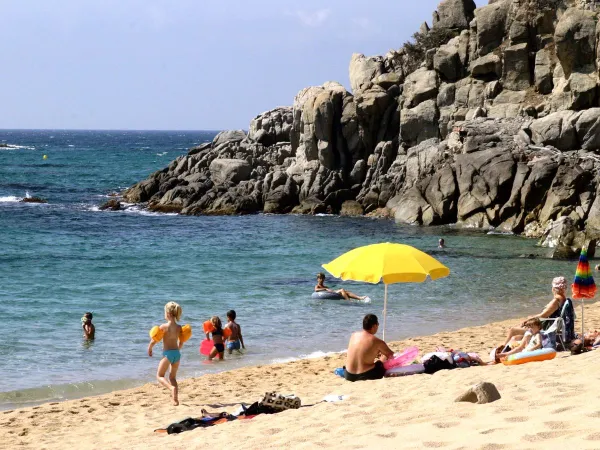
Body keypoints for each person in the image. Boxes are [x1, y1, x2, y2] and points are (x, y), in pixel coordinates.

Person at [501, 276, 575, 349]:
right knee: (517, 337)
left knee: (513, 330)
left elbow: (543, 316)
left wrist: (528, 320)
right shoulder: (563, 299)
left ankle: (502, 348)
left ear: (554, 288)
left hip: (546, 327)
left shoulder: (556, 301)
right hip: (553, 325)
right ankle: (510, 347)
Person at [148, 301, 185, 406]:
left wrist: (150, 348)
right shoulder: (179, 327)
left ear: (168, 313)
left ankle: (170, 388)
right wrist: (178, 349)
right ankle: (175, 400)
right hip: (177, 354)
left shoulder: (163, 326)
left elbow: (155, 339)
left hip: (168, 354)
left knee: (159, 375)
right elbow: (181, 342)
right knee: (173, 377)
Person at [344, 314, 394, 382]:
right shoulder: (377, 341)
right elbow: (391, 355)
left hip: (348, 375)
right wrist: (381, 359)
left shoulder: (353, 335)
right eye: (378, 324)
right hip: (365, 375)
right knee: (384, 358)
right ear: (374, 326)